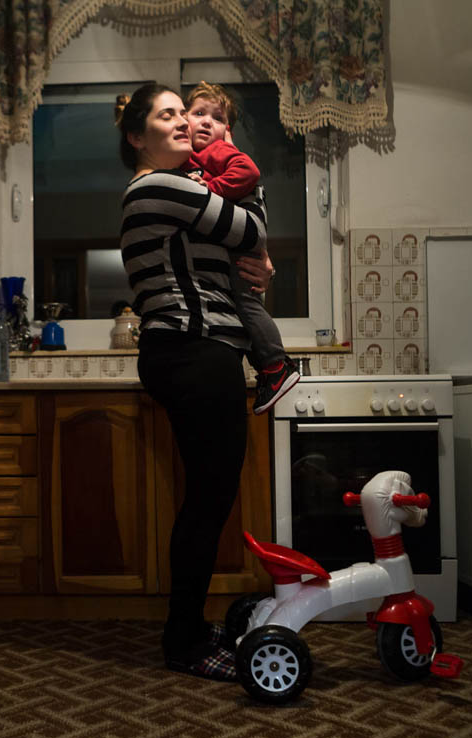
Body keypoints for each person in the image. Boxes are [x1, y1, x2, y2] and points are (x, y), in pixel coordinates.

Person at [116, 83, 274, 681]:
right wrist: (252, 219)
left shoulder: (182, 185)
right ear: (137, 136)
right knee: (208, 501)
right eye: (167, 116)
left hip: (196, 351)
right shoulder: (161, 185)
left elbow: (243, 246)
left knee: (207, 499)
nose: (184, 122)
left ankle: (186, 627)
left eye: (186, 112)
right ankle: (182, 641)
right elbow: (250, 232)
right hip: (193, 349)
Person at [184, 81, 299, 415]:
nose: (206, 121)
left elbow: (248, 172)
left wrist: (211, 189)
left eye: (216, 118)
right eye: (198, 113)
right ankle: (269, 368)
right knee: (243, 306)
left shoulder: (213, 153)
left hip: (239, 254)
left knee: (247, 305)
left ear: (227, 131)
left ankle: (277, 365)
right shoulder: (191, 158)